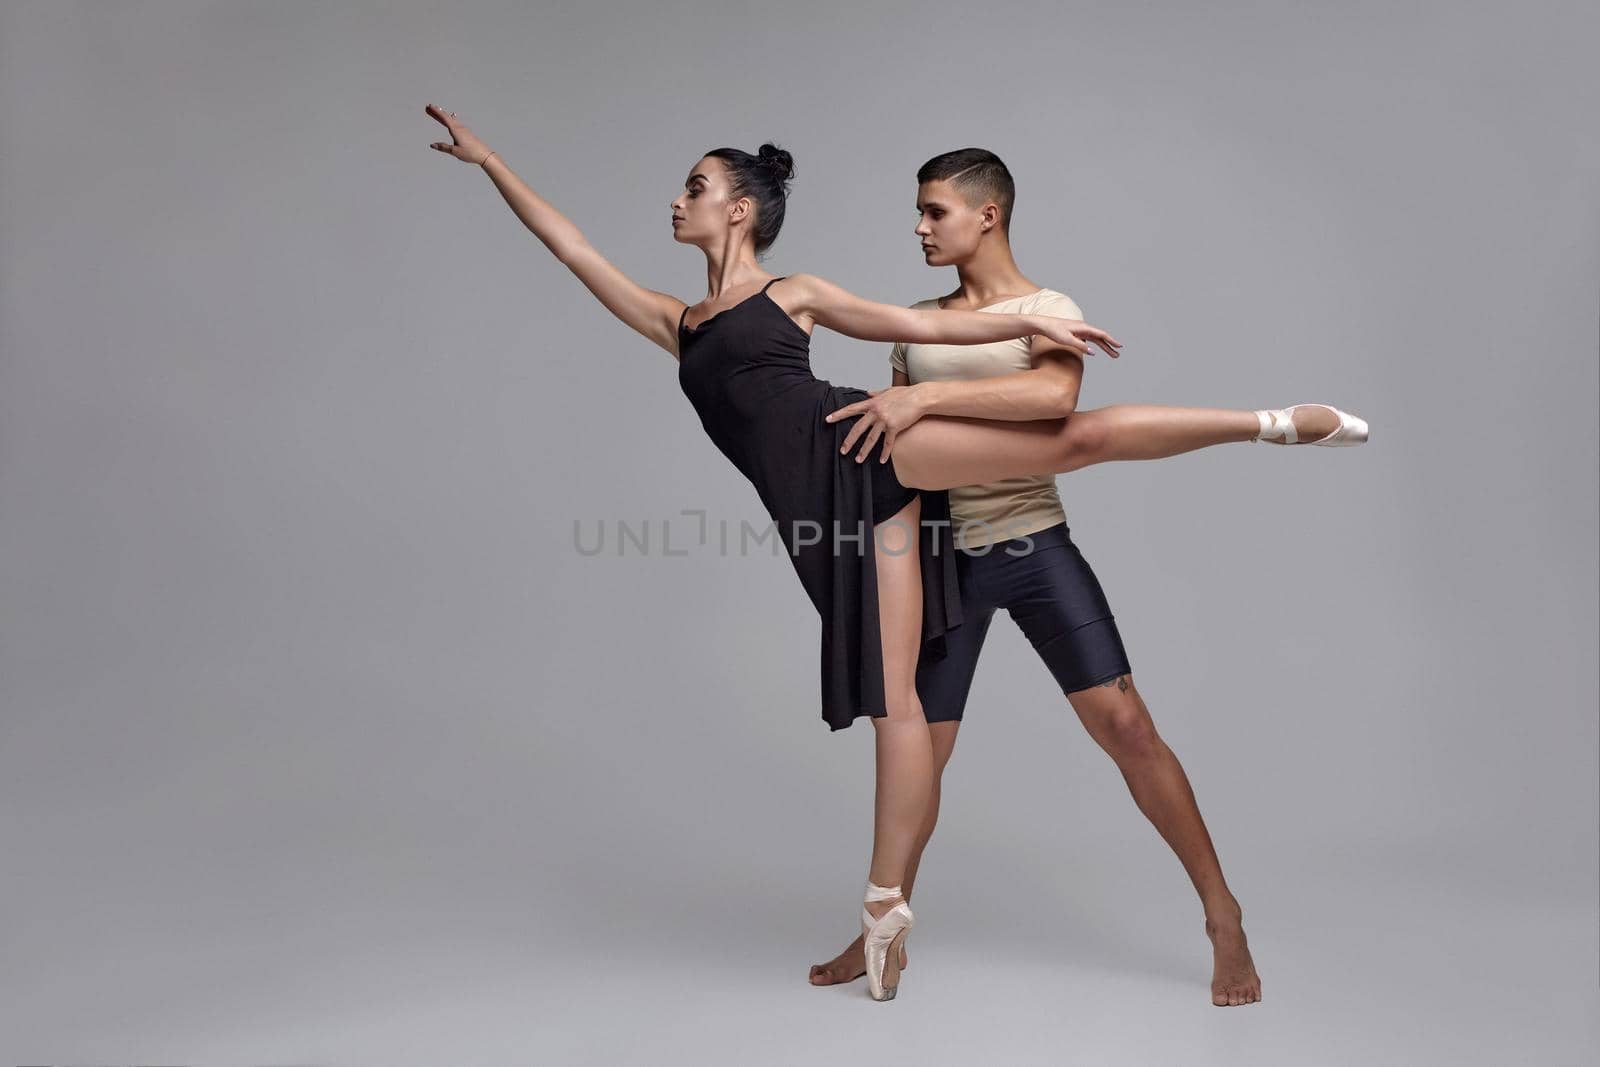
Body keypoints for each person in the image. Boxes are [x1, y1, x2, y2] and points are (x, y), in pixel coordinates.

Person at [424, 104, 1367, 1002]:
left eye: (695, 185)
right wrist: (493, 163)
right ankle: (884, 917)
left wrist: (1027, 324)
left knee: (1073, 442)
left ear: (739, 207)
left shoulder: (796, 294)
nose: (677, 200)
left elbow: (924, 329)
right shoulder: (678, 325)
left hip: (869, 451)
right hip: (844, 522)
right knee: (899, 708)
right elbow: (572, 248)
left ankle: (1273, 423)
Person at [808, 148, 1273, 1006]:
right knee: (921, 756)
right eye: (917, 212)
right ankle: (881, 927)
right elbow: (901, 452)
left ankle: (1222, 913)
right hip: (943, 560)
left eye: (933, 211)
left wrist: (919, 400)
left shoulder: (1047, 310)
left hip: (1033, 549)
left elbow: (1052, 404)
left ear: (987, 214)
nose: (919, 227)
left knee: (1128, 726)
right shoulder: (918, 323)